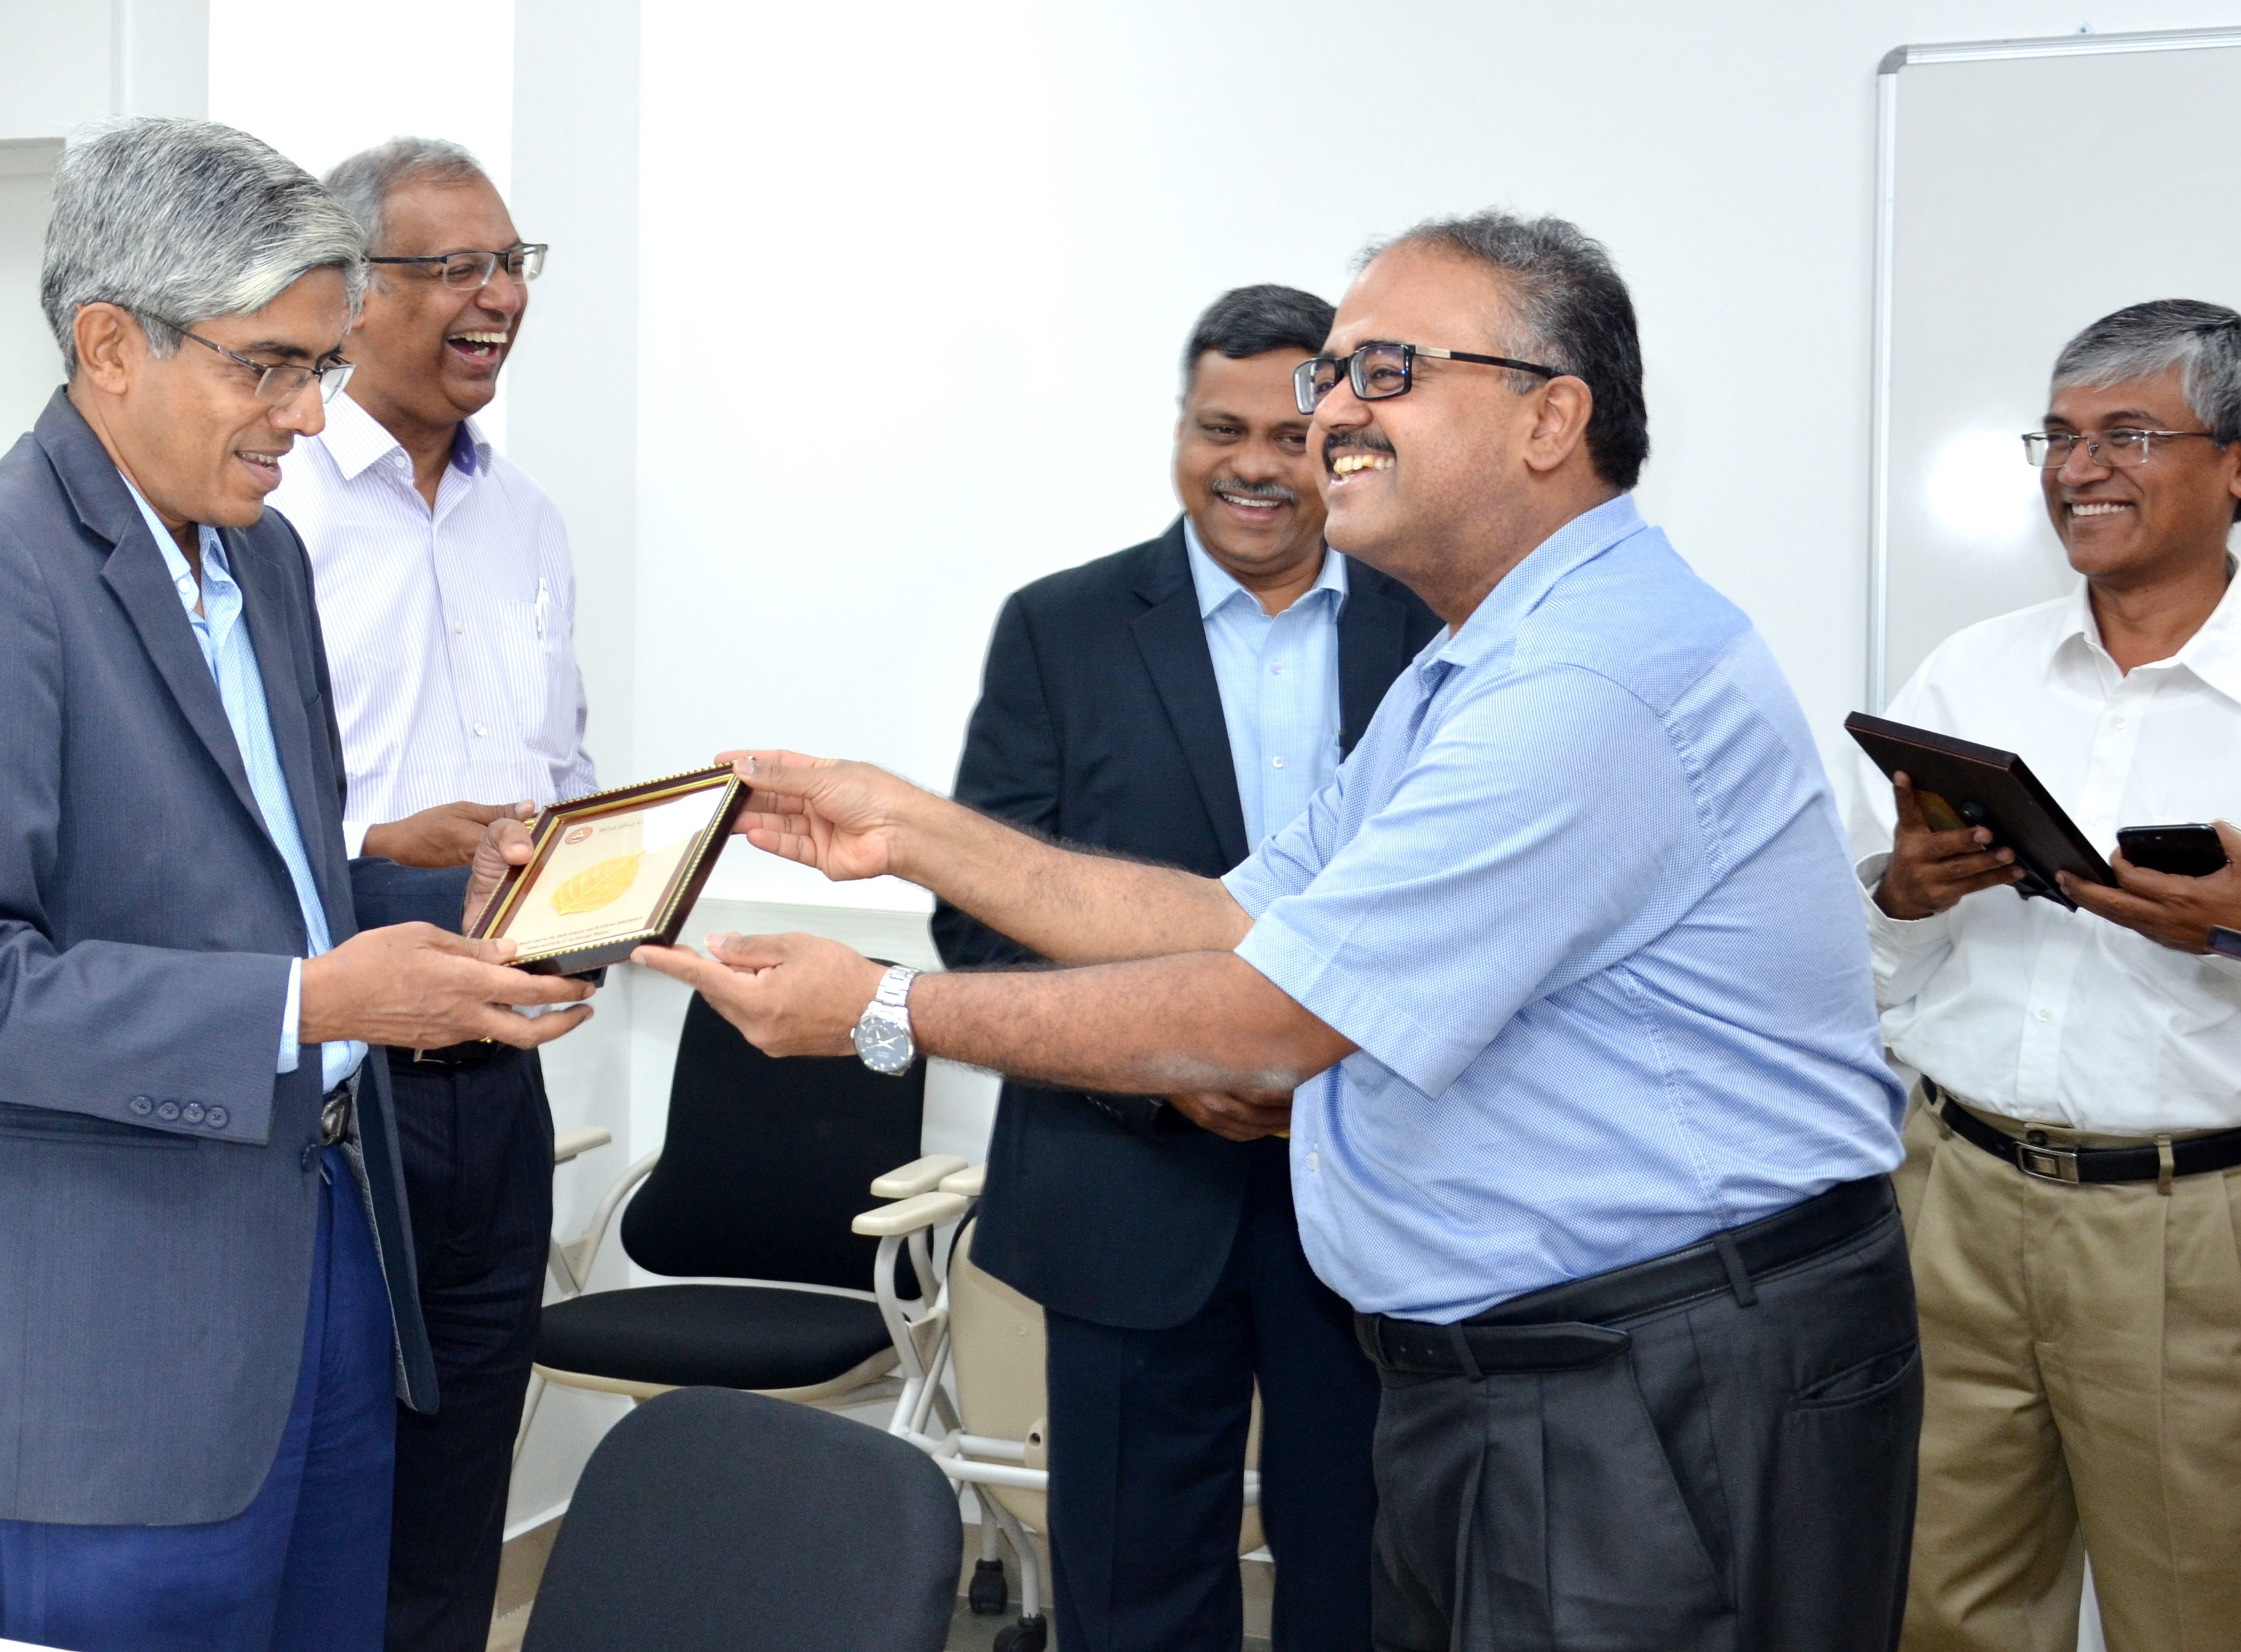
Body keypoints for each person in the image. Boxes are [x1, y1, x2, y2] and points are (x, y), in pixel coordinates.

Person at [636, 212, 1922, 1651]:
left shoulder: (1588, 679)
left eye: (1385, 370)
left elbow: (1270, 1012)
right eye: (1333, 376)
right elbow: (1245, 910)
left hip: (1661, 1378)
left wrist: (880, 1008)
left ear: (1552, 415)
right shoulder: (1482, 652)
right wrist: (910, 828)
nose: (1332, 418)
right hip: (1545, 1363)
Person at [0, 116, 597, 1652]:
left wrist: (444, 904)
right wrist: (316, 999)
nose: (309, 417)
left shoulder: (265, 567)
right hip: (111, 1336)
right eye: (271, 366)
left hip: (324, 1259)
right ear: (111, 342)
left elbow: (273, 888)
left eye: (318, 367)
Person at [934, 282, 1436, 1651]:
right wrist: (1172, 1071)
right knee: (1132, 1592)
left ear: (1348, 440)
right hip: (1127, 1186)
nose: (1258, 466)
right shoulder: (1062, 626)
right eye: (1223, 427)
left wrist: (1306, 1064)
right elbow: (981, 922)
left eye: (1295, 434)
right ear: (1179, 427)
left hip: (1379, 1183)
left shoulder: (1439, 630)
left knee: (1374, 1580)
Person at [1854, 299, 2241, 1652]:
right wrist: (1901, 893)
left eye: (2130, 433)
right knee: (1935, 1606)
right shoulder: (1972, 672)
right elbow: (1870, 959)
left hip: (2205, 1234)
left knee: (2220, 1622)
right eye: (2062, 436)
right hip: (1955, 1196)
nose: (2080, 468)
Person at [269, 134, 593, 1652]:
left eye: (514, 262)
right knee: (331, 1485)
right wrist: (407, 842)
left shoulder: (526, 518)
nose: (497, 296)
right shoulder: (272, 517)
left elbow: (559, 761)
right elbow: (242, 817)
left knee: (464, 1478)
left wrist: (588, 875)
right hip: (338, 1081)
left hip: (497, 1077)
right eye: (455, 266)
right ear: (351, 291)